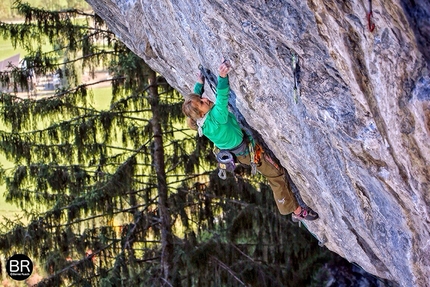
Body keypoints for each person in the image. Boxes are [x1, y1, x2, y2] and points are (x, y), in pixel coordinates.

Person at [182, 60, 318, 221]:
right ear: (202, 114)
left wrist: (199, 83)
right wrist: (222, 77)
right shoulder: (216, 118)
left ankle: (293, 208)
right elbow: (222, 99)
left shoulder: (200, 122)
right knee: (276, 175)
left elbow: (194, 99)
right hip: (247, 152)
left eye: (202, 98)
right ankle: (295, 212)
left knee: (274, 173)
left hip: (239, 151)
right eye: (202, 103)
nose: (205, 100)